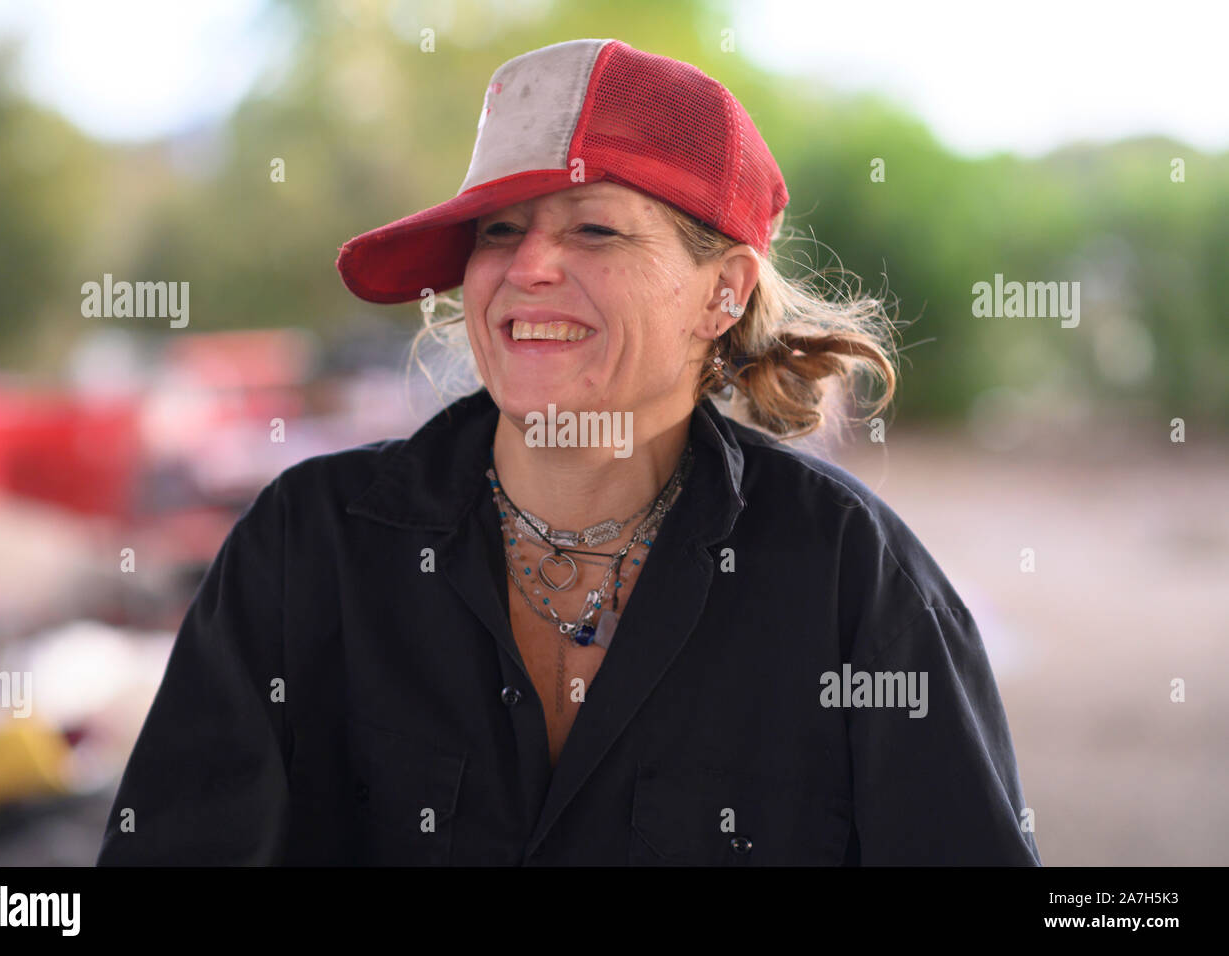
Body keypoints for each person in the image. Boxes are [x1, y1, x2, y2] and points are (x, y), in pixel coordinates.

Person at [97, 38, 1040, 866]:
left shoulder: (849, 581)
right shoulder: (305, 547)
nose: (527, 267)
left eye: (594, 227)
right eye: (497, 231)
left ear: (723, 291)